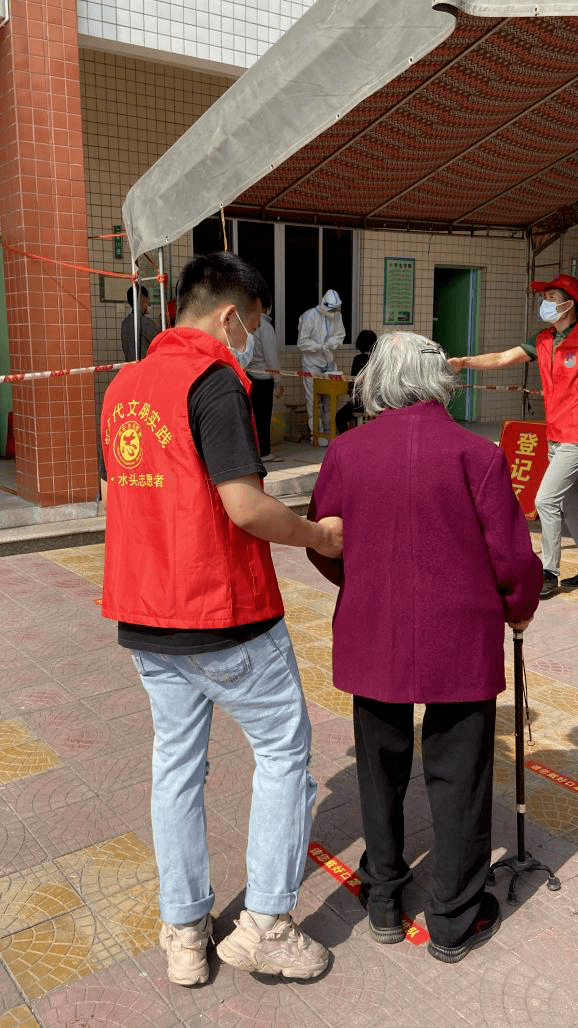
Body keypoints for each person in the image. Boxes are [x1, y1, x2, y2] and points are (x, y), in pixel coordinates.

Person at [100, 252, 342, 987]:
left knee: (175, 768)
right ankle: (266, 924)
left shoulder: (121, 386)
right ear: (232, 315)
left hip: (145, 618)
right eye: (256, 326)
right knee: (283, 750)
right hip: (222, 615)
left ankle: (184, 932)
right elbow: (244, 506)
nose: (253, 342)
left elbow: (119, 497)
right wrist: (317, 535)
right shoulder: (213, 382)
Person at [306, 332, 542, 964]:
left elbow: (324, 544)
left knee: (378, 768)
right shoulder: (477, 453)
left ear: (377, 380)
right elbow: (514, 562)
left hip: (373, 630)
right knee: (459, 775)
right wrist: (518, 609)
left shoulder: (346, 452)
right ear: (440, 381)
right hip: (459, 639)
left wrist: (362, 588)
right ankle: (453, 918)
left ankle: (383, 896)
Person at [449, 274, 578, 599]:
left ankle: (549, 572)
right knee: (572, 505)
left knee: (546, 501)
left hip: (576, 437)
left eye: (551, 296)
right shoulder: (543, 340)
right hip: (555, 435)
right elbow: (503, 358)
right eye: (544, 297)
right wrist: (465, 362)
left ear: (569, 303)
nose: (545, 303)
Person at [297, 289, 345, 442]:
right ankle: (316, 436)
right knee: (313, 401)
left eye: (336, 309)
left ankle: (328, 432)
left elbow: (340, 335)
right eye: (331, 309)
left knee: (330, 401)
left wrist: (334, 343)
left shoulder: (336, 316)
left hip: (329, 362)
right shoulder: (309, 316)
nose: (334, 312)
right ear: (324, 304)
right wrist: (319, 346)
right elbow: (302, 342)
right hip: (312, 364)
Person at [246, 308, 284, 461]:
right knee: (264, 417)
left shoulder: (247, 324)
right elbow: (271, 358)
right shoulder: (265, 327)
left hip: (249, 375)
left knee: (253, 416)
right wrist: (278, 382)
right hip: (264, 378)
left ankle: (253, 451)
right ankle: (265, 452)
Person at [335, 330, 377, 434]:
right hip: (378, 402)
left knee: (339, 417)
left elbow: (353, 384)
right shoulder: (378, 360)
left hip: (361, 403)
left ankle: (346, 443)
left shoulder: (358, 359)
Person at [120, 284, 160, 360]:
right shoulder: (146, 323)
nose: (149, 302)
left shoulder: (125, 323)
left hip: (130, 367)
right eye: (147, 299)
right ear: (142, 300)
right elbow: (160, 344)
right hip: (145, 368)